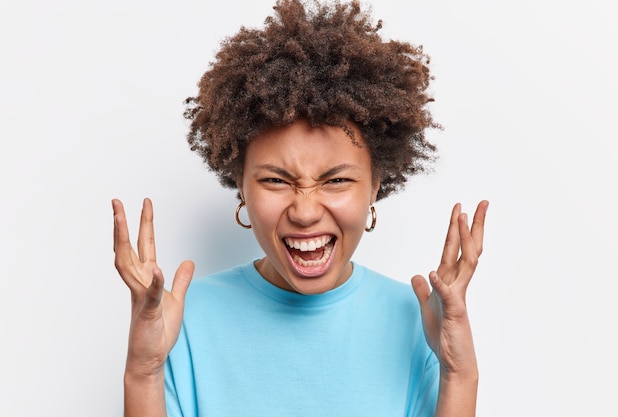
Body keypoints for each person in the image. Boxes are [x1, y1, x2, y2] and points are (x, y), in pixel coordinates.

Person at [112, 0, 488, 416]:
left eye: (336, 180)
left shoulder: (421, 324)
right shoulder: (180, 319)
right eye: (276, 180)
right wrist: (144, 372)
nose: (305, 211)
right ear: (241, 185)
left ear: (374, 187)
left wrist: (459, 374)